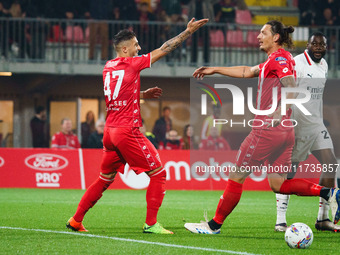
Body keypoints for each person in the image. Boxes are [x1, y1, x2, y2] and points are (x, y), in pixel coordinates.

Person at [184, 20, 340, 234]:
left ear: (276, 37)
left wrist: (278, 111)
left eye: (263, 32)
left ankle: (213, 225)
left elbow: (292, 89)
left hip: (267, 130)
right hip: (286, 133)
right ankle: (328, 193)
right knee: (279, 184)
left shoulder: (280, 59)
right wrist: (214, 69)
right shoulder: (274, 60)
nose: (258, 36)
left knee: (237, 175)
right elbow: (247, 71)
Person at [66, 17, 209, 234]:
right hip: (126, 131)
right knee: (159, 174)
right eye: (135, 45)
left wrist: (141, 94)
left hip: (110, 131)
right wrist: (187, 32)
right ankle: (151, 224)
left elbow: (116, 96)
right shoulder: (132, 63)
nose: (139, 48)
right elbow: (165, 48)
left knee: (104, 178)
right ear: (125, 49)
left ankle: (76, 220)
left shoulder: (108, 66)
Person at [275, 32, 340, 232]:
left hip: (316, 124)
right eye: (315, 44)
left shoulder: (324, 65)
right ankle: (280, 220)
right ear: (308, 45)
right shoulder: (297, 63)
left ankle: (322, 219)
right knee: (289, 171)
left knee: (330, 162)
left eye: (322, 44)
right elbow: (286, 90)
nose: (319, 47)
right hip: (298, 124)